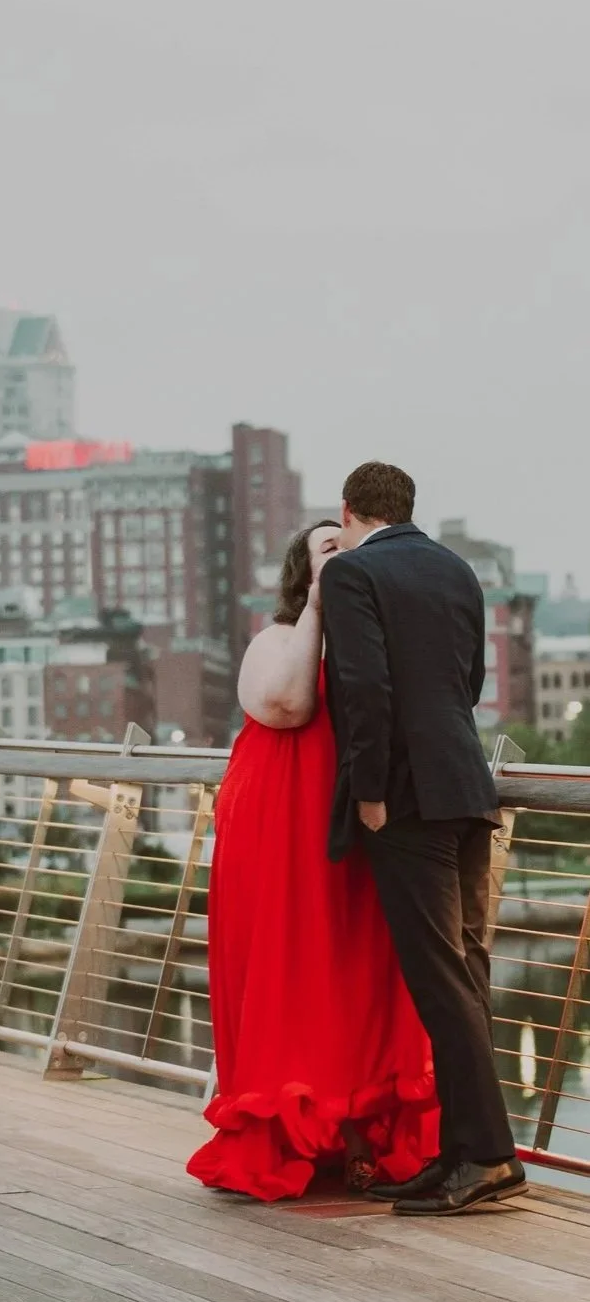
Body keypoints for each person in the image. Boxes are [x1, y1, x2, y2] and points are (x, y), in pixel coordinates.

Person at [188, 520, 440, 1202]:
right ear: (301, 571)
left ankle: (356, 1123)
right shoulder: (273, 638)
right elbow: (286, 703)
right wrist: (318, 613)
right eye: (328, 549)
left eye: (351, 546)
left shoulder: (377, 642)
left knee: (356, 966)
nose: (345, 555)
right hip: (276, 827)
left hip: (354, 824)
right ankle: (287, 1124)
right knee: (286, 963)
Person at [320, 461, 526, 1215]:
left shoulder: (351, 575)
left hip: (403, 799)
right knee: (462, 975)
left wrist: (369, 792)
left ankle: (488, 1156)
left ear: (347, 512)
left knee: (440, 982)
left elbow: (363, 688)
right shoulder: (454, 569)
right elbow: (466, 680)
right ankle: (460, 1153)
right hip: (464, 784)